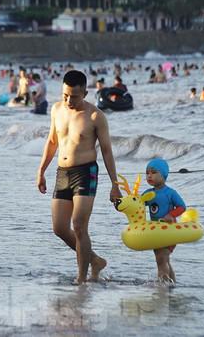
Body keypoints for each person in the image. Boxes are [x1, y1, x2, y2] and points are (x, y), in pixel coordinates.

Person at [36, 70, 122, 284]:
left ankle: (81, 279)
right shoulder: (57, 109)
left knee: (79, 226)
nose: (68, 100)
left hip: (86, 173)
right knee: (59, 228)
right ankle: (94, 260)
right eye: (65, 95)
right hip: (62, 172)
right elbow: (52, 142)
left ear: (84, 92)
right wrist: (41, 171)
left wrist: (115, 184)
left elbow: (107, 151)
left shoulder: (95, 116)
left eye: (73, 96)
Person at [141, 158, 186, 283]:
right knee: (162, 259)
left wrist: (171, 215)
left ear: (164, 174)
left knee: (161, 258)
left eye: (154, 172)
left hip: (169, 232)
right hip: (156, 232)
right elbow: (138, 206)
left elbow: (182, 207)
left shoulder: (170, 193)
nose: (149, 175)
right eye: (147, 173)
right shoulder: (147, 194)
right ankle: (172, 284)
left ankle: (163, 285)